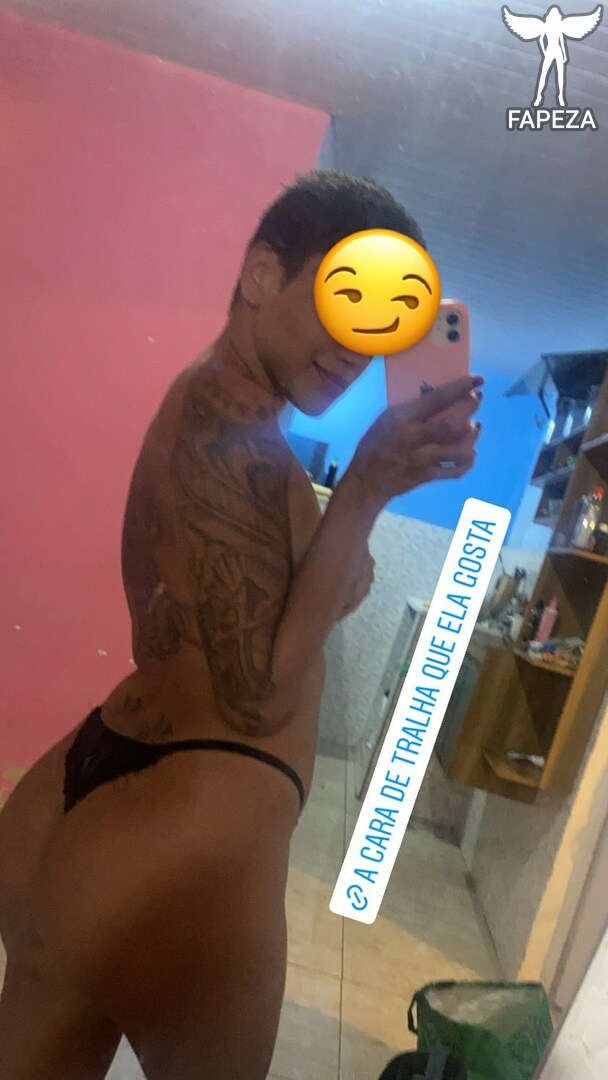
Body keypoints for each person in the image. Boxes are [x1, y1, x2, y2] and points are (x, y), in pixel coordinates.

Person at [0, 170, 482, 1080]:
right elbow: (257, 697)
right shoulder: (230, 433)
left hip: (95, 790)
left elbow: (228, 618)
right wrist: (364, 490)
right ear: (264, 274)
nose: (357, 345)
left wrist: (339, 545)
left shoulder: (228, 423)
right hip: (194, 828)